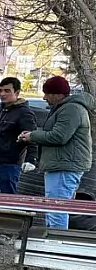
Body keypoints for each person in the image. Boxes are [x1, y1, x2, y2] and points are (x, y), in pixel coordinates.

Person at [18, 76, 93, 229]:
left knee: (56, 208)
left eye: (47, 93)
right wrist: (34, 134)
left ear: (58, 94)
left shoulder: (71, 109)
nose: (44, 97)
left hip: (64, 166)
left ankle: (55, 244)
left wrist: (32, 136)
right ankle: (53, 241)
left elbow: (59, 136)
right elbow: (55, 132)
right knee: (55, 207)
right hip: (63, 164)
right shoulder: (67, 108)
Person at [0, 76, 39, 194]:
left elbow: (32, 137)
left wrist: (31, 160)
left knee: (8, 201)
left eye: (7, 91)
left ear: (16, 92)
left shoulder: (24, 113)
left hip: (9, 165)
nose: (2, 94)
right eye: (0, 90)